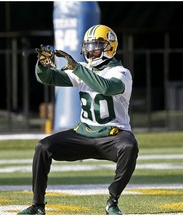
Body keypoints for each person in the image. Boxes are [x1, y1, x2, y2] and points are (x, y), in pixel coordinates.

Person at [17, 24, 139, 215]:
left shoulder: (121, 73)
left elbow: (106, 87)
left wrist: (77, 69)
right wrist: (41, 65)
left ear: (110, 46)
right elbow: (48, 78)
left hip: (112, 135)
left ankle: (112, 201)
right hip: (83, 133)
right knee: (43, 147)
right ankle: (37, 205)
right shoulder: (82, 69)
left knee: (129, 146)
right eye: (88, 46)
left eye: (97, 45)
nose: (91, 51)